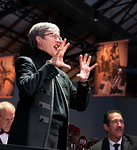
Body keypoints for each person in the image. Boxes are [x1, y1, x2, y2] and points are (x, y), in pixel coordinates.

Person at [8, 22, 97, 150]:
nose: (58, 40)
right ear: (39, 40)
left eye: (59, 37)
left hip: (57, 137)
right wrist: (51, 65)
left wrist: (83, 82)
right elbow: (27, 89)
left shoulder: (63, 76)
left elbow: (80, 104)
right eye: (53, 35)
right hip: (32, 136)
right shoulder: (26, 62)